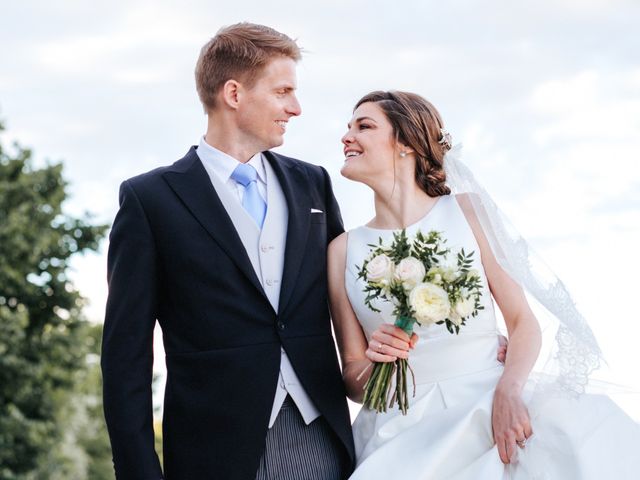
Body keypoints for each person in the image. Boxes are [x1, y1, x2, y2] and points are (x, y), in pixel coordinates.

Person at [327, 90, 640, 478]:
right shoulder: (342, 250)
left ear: (405, 142)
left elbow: (522, 322)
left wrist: (509, 392)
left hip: (487, 404)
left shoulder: (466, 213)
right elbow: (353, 380)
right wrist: (375, 361)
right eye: (348, 128)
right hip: (398, 431)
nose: (347, 137)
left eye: (364, 126)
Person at [101, 23, 354, 479]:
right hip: (212, 452)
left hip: (323, 440)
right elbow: (126, 357)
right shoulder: (150, 200)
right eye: (282, 92)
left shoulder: (312, 183)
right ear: (233, 93)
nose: (295, 108)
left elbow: (348, 296)